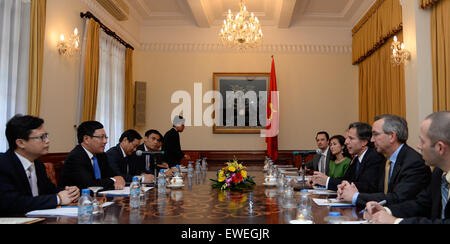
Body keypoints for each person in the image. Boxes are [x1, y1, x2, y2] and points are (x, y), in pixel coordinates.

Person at [364, 111, 450, 224]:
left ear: (440, 148)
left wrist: (396, 222)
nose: (418, 146)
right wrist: (386, 210)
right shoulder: (439, 172)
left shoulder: (416, 162)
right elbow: (422, 204)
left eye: (422, 141)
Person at [338, 115, 431, 207]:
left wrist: (356, 196)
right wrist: (352, 188)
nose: (371, 139)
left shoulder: (414, 162)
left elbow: (398, 198)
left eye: (375, 134)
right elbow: (377, 191)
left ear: (391, 136)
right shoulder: (386, 160)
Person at [0, 115, 80, 215]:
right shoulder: (3, 164)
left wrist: (69, 192)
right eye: (42, 137)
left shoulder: (38, 164)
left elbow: (49, 190)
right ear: (21, 143)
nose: (47, 141)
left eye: (46, 136)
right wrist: (57, 199)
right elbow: (12, 203)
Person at [311, 122, 385, 192]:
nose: (346, 142)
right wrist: (320, 180)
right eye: (346, 138)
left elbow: (366, 187)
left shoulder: (374, 157)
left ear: (364, 142)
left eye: (351, 138)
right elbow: (346, 179)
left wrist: (328, 181)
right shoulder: (356, 158)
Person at [59, 121, 125, 190]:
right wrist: (113, 180)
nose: (105, 141)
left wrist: (118, 178)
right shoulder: (75, 157)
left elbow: (112, 175)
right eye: (101, 137)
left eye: (106, 137)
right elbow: (89, 185)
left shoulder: (101, 155)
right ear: (86, 139)